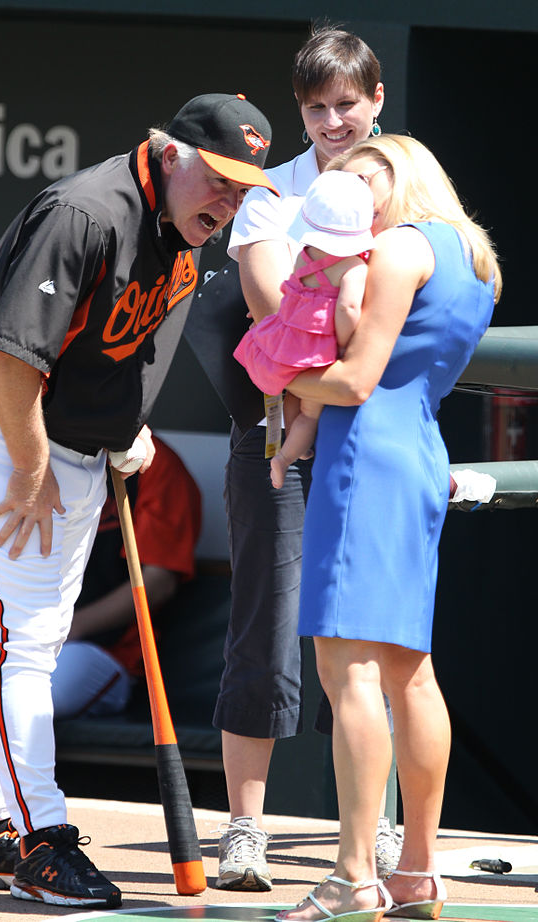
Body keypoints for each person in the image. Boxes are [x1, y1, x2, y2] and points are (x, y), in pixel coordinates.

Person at [0, 92, 276, 909]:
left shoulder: (186, 243)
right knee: (25, 639)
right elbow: (12, 356)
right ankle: (40, 839)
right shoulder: (85, 211)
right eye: (218, 180)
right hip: (5, 420)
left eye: (243, 189)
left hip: (80, 438)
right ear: (169, 152)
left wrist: (126, 435)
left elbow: (134, 357)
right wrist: (27, 468)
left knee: (29, 640)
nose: (226, 203)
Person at [275, 134, 501, 922]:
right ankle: (415, 873)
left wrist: (272, 369)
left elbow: (354, 379)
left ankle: (350, 877)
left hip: (365, 457)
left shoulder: (403, 246)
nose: (349, 188)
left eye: (361, 173)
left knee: (351, 676)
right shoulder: (472, 256)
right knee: (410, 672)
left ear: (398, 171)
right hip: (418, 455)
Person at [213, 26, 394, 891]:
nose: (332, 123)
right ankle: (245, 831)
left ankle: (376, 831)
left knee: (370, 643)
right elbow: (268, 307)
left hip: (372, 448)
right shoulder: (271, 195)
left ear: (376, 102)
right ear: (299, 110)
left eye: (347, 106)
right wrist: (350, 343)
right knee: (265, 626)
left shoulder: (407, 195)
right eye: (317, 108)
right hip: (272, 445)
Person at [0, 436, 201, 792]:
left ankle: (17, 823)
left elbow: (158, 581)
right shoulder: (29, 453)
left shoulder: (152, 463)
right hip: (13, 633)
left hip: (98, 651)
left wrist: (66, 628)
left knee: (19, 699)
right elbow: (2, 548)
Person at [233, 170, 374, 489]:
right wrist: (343, 344)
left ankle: (288, 447)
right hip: (315, 347)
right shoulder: (354, 267)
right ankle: (287, 457)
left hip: (287, 339)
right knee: (310, 415)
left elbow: (291, 292)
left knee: (293, 397)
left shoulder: (305, 256)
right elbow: (348, 309)